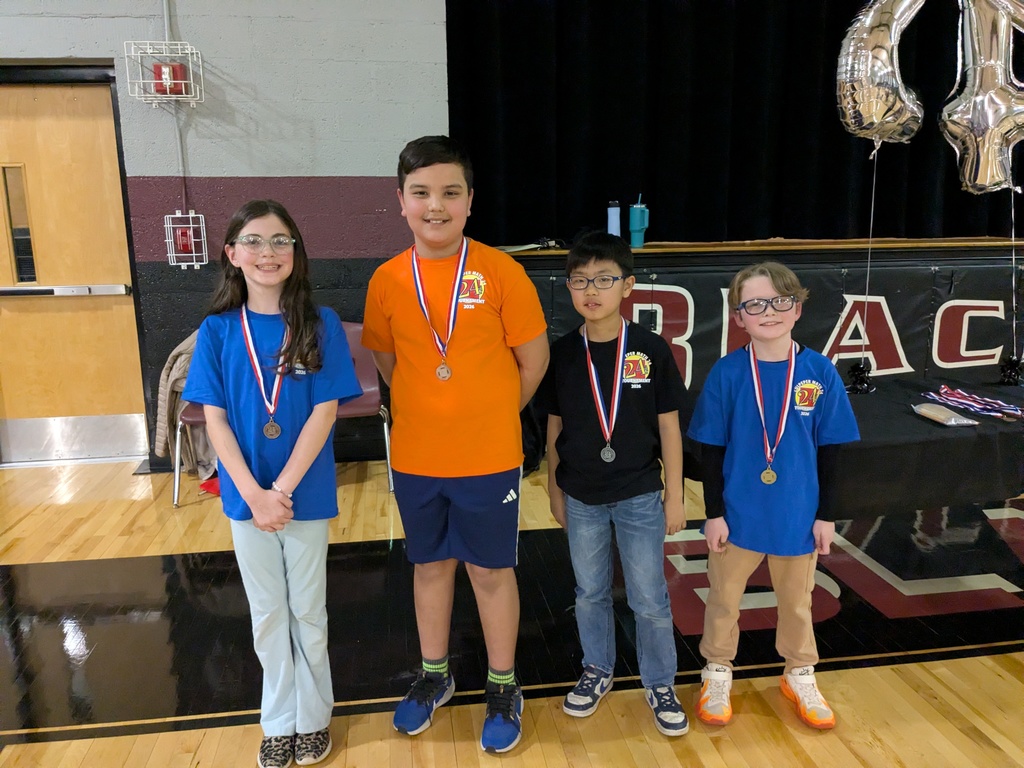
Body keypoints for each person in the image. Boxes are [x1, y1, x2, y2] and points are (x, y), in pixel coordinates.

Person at [361, 136, 549, 753]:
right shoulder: (387, 280)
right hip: (416, 457)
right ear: (401, 201)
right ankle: (435, 676)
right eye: (421, 193)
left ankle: (502, 685)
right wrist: (434, 412)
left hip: (488, 457)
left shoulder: (501, 271)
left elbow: (533, 360)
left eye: (449, 193)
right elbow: (388, 362)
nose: (434, 206)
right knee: (429, 567)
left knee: (491, 571)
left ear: (470, 201)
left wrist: (488, 415)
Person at [183, 200, 362, 768]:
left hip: (301, 495)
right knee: (268, 614)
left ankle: (314, 718)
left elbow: (325, 411)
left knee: (308, 610)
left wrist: (279, 490)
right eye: (255, 242)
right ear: (232, 254)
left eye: (281, 241)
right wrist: (255, 495)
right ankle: (278, 720)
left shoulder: (321, 323)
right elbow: (214, 419)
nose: (268, 252)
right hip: (245, 498)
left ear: (296, 253)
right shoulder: (215, 331)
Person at [687, 261, 859, 731]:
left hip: (797, 515)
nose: (769, 312)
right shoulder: (726, 373)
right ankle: (718, 670)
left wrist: (827, 515)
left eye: (780, 301)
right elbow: (710, 449)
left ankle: (799, 672)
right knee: (724, 597)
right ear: (738, 316)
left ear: (797, 308)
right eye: (754, 304)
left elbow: (832, 449)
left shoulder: (818, 370)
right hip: (738, 515)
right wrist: (714, 513)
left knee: (797, 601)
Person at [537, 231, 690, 737]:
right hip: (580, 495)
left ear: (628, 285)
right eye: (580, 280)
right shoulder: (561, 353)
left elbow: (669, 423)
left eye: (604, 279)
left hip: (641, 493)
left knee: (649, 595)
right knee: (589, 591)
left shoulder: (649, 349)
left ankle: (660, 680)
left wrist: (676, 495)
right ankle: (597, 668)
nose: (591, 290)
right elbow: (554, 427)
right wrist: (555, 492)